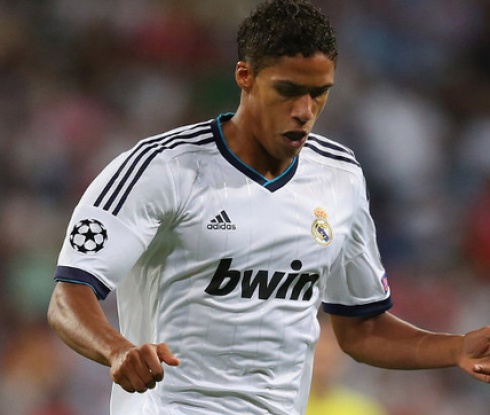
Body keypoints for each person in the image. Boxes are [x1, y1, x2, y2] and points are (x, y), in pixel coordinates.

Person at [47, 1, 490, 414]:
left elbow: (363, 327)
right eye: (288, 90)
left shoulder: (340, 177)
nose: (304, 111)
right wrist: (117, 350)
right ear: (245, 76)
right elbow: (68, 296)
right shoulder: (163, 168)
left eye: (319, 93)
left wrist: (456, 348)